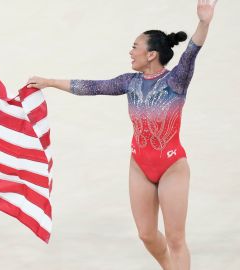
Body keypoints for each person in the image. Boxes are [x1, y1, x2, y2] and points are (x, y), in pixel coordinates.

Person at [27, 1, 217, 269]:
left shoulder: (175, 81)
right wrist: (49, 82)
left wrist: (204, 22)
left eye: (135, 47)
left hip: (172, 166)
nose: (131, 52)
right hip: (139, 165)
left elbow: (191, 52)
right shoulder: (130, 82)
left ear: (151, 54)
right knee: (147, 235)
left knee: (175, 239)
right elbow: (92, 87)